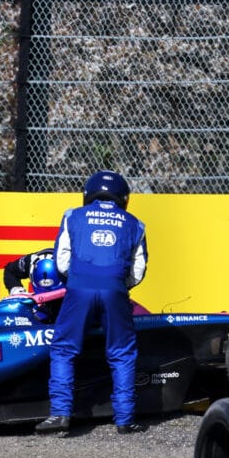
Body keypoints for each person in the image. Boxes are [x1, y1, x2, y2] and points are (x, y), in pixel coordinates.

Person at [36, 170, 148, 435]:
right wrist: (118, 284)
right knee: (122, 353)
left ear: (88, 194)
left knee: (64, 349)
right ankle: (125, 420)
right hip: (115, 290)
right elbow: (138, 271)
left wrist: (79, 278)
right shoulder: (136, 224)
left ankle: (60, 415)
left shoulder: (72, 216)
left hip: (79, 287)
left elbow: (61, 262)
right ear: (124, 198)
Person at [3, 249, 64, 322]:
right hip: (40, 303)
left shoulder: (72, 266)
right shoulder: (29, 262)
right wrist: (16, 290)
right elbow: (10, 270)